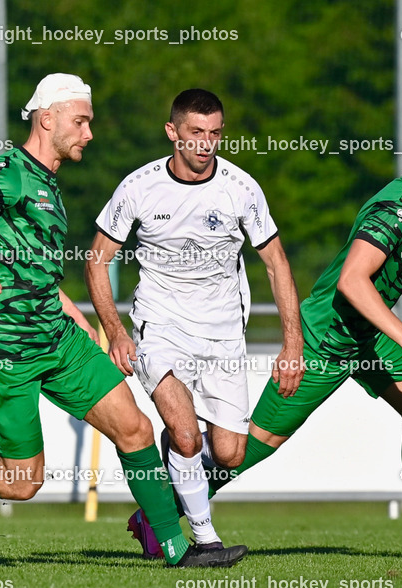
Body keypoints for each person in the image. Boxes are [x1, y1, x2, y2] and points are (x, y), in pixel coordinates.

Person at [0, 73, 246, 568]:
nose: (89, 133)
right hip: (7, 349)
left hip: (59, 340)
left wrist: (78, 318)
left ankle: (178, 549)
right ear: (48, 119)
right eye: (80, 122)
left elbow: (35, 268)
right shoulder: (8, 169)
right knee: (21, 483)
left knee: (136, 430)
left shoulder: (50, 186)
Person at [128, 119, 402, 556]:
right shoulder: (393, 210)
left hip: (367, 338)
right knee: (246, 450)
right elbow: (353, 282)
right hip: (325, 339)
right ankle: (159, 511)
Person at [85, 89, 303, 556]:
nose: (206, 144)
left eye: (215, 134)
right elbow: (97, 261)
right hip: (158, 326)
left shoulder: (240, 187)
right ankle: (203, 541)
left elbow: (276, 264)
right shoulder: (138, 187)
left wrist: (292, 344)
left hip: (223, 333)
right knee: (184, 434)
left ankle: (157, 508)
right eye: (195, 133)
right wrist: (118, 331)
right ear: (173, 133)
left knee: (229, 454)